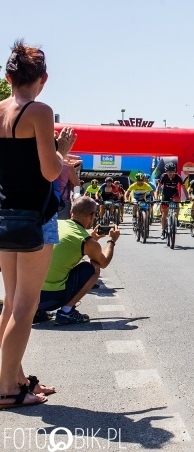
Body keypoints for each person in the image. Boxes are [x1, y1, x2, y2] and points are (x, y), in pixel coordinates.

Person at [0, 40, 75, 408]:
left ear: (8, 76)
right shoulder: (40, 111)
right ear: (43, 78)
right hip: (34, 218)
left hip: (4, 216)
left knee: (11, 303)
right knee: (25, 307)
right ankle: (7, 391)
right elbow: (49, 171)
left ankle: (14, 378)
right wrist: (62, 153)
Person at [37, 197, 119, 325]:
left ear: (71, 212)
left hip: (29, 296)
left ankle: (37, 312)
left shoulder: (55, 224)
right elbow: (104, 262)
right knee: (94, 267)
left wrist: (92, 240)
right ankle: (66, 311)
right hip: (51, 299)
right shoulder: (85, 240)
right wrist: (111, 241)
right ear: (92, 216)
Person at [154, 162, 188, 238]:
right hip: (165, 195)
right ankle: (163, 231)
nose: (170, 173)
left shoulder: (178, 177)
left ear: (174, 171)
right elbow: (158, 188)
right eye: (169, 172)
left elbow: (184, 188)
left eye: (172, 171)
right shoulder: (163, 176)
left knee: (177, 202)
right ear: (166, 172)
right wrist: (156, 197)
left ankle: (176, 218)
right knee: (164, 214)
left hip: (174, 194)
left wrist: (187, 198)